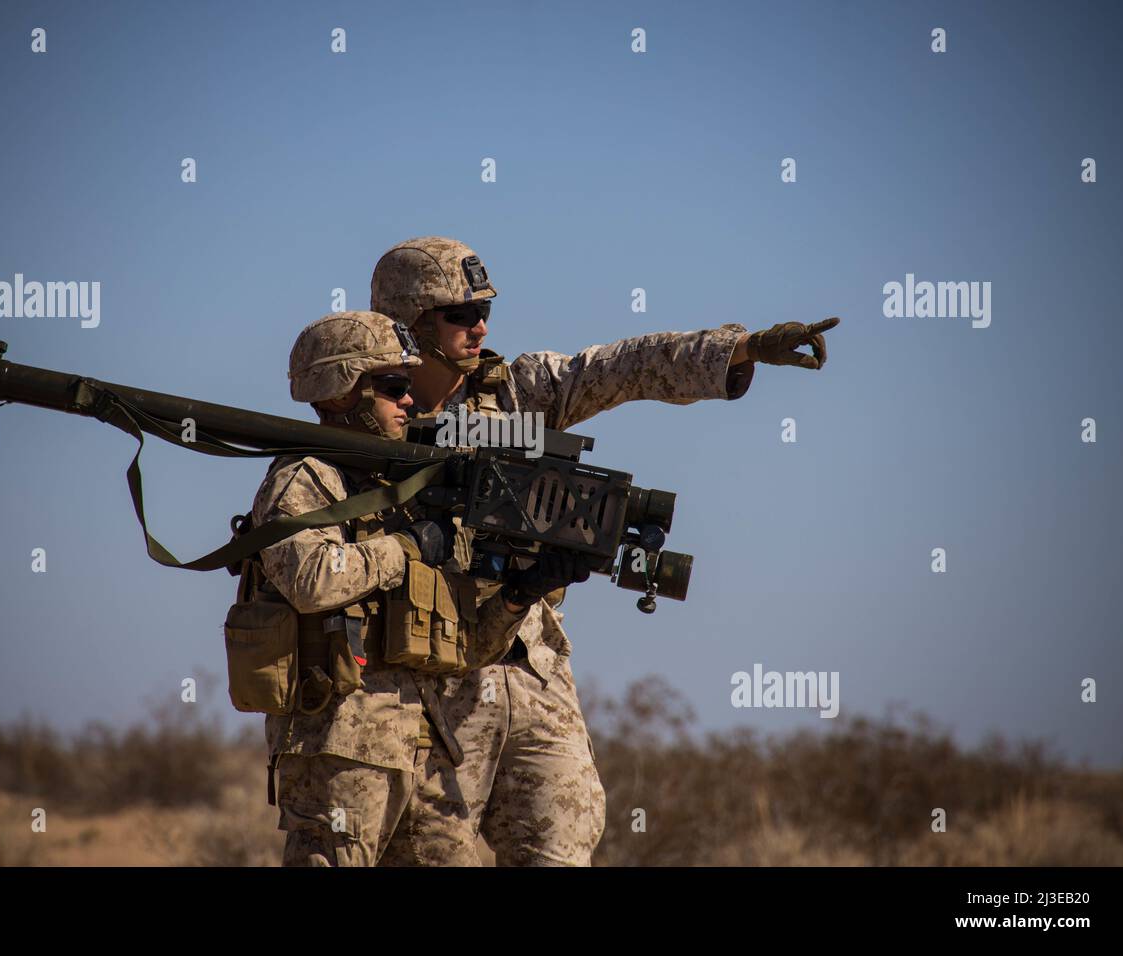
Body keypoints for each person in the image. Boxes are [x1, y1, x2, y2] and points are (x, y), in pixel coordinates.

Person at [370, 237, 839, 865]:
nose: (479, 323)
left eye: (484, 309)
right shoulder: (366, 423)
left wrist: (744, 347)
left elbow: (625, 366)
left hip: (532, 670)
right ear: (411, 320)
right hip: (432, 685)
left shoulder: (519, 394)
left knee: (563, 851)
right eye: (460, 312)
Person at [249, 310, 585, 866]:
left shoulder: (402, 494)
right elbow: (311, 580)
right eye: (393, 387)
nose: (410, 401)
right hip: (340, 749)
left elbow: (464, 649)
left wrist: (519, 596)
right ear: (340, 393)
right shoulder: (305, 478)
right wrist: (406, 548)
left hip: (427, 749)